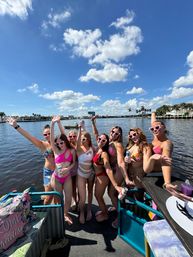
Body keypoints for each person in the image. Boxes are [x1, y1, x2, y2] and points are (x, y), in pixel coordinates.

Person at [91, 116, 134, 228]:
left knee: (111, 193)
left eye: (117, 133)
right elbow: (97, 135)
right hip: (113, 169)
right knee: (112, 193)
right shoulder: (109, 142)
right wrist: (93, 123)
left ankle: (120, 217)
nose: (114, 134)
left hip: (118, 171)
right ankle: (116, 207)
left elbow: (120, 162)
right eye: (113, 132)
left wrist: (126, 178)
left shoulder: (118, 145)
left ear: (119, 136)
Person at [6, 117, 57, 204]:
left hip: (58, 172)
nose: (47, 135)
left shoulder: (59, 143)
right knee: (48, 197)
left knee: (57, 195)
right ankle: (44, 209)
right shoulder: (42, 144)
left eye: (49, 133)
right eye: (45, 134)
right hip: (48, 172)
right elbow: (29, 137)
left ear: (52, 132)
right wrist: (16, 126)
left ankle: (57, 211)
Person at [144, 112, 193, 202]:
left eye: (157, 127)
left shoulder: (167, 144)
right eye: (152, 129)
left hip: (160, 174)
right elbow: (154, 122)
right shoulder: (156, 135)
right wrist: (153, 113)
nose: (154, 130)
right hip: (149, 171)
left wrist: (167, 183)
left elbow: (165, 161)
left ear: (164, 127)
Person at [92, 128, 123, 222]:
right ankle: (104, 211)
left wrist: (115, 185)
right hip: (99, 176)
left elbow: (108, 168)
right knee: (98, 195)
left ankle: (105, 215)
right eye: (99, 139)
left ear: (106, 142)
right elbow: (96, 134)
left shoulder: (104, 153)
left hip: (102, 177)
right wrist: (93, 123)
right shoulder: (99, 149)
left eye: (103, 140)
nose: (100, 141)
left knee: (98, 196)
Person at [50, 116, 75, 225]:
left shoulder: (71, 150)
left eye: (62, 142)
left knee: (68, 199)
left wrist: (68, 168)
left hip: (67, 177)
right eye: (58, 143)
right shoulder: (55, 150)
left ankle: (65, 214)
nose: (60, 145)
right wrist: (52, 124)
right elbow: (51, 139)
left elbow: (73, 163)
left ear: (65, 141)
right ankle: (61, 214)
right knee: (58, 198)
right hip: (57, 178)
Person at [125, 128, 152, 201]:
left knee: (138, 199)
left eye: (134, 134)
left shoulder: (145, 146)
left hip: (138, 180)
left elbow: (147, 167)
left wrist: (154, 159)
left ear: (139, 134)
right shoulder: (131, 145)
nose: (133, 137)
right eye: (130, 136)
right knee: (129, 198)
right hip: (129, 178)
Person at [76, 122, 94, 224]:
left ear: (88, 140)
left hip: (90, 174)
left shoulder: (92, 148)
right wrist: (79, 129)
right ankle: (82, 212)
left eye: (84, 139)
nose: (82, 141)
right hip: (81, 175)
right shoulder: (79, 149)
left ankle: (89, 210)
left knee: (90, 192)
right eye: (81, 139)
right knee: (82, 197)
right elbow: (78, 141)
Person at [67, 130, 79, 210]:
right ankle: (75, 201)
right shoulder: (66, 146)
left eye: (74, 136)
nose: (72, 138)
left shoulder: (79, 146)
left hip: (79, 170)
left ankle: (80, 201)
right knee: (72, 187)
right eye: (70, 136)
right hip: (70, 170)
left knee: (80, 187)